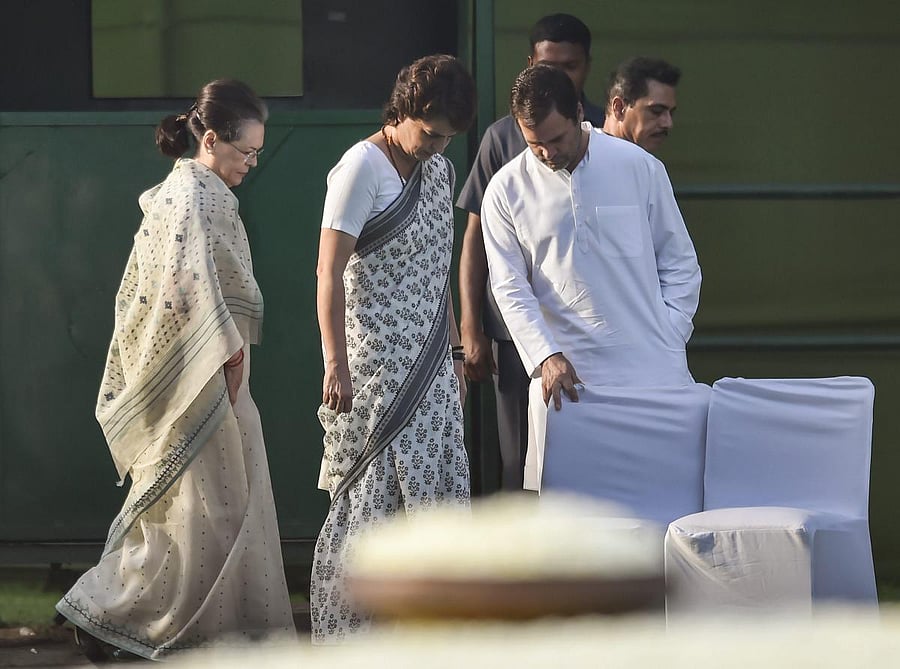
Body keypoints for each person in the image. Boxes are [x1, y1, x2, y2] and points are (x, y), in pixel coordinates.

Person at [55, 80, 294, 660]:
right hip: (203, 376)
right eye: (245, 153)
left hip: (198, 372)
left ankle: (167, 625)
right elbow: (185, 288)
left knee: (198, 511)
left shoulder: (181, 190)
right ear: (211, 140)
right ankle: (105, 613)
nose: (251, 165)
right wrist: (230, 351)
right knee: (207, 510)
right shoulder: (196, 196)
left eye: (258, 154)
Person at [312, 54, 476, 644]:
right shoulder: (361, 167)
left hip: (433, 359)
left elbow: (437, 270)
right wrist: (335, 363)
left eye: (448, 138)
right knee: (370, 493)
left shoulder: (440, 171)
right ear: (403, 109)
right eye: (429, 132)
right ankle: (349, 637)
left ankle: (432, 633)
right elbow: (328, 272)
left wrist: (455, 353)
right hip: (375, 363)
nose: (436, 146)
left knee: (436, 485)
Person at [480, 64, 701, 491]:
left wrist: (667, 334)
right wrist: (546, 355)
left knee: (665, 511)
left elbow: (681, 264)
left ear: (579, 112)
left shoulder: (639, 167)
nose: (545, 152)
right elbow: (509, 288)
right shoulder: (505, 190)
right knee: (572, 534)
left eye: (556, 139)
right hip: (566, 388)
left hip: (654, 379)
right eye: (533, 144)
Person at [456, 13, 604, 492]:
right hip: (516, 335)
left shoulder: (604, 135)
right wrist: (470, 327)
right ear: (528, 66)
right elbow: (476, 238)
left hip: (598, 328)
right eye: (549, 65)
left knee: (597, 459)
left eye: (571, 66)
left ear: (586, 67)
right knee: (521, 461)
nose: (559, 76)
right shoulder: (502, 138)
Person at [602, 56, 681, 153]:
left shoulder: (650, 165)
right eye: (656, 111)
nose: (668, 123)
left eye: (671, 113)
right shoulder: (582, 158)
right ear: (619, 108)